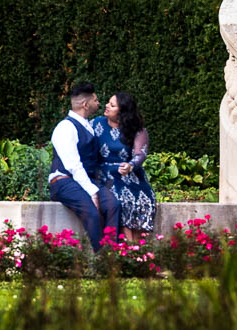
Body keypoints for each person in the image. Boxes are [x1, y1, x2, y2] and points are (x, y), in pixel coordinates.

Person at [48, 81, 119, 249]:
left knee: (112, 205)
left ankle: (112, 253)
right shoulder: (65, 128)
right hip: (63, 181)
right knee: (92, 213)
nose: (99, 103)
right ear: (86, 104)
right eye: (95, 100)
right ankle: (101, 259)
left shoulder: (89, 125)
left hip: (84, 181)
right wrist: (93, 193)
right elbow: (73, 165)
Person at [92, 91, 159, 243]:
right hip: (104, 173)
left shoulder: (137, 130)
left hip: (129, 173)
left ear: (122, 112)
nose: (106, 106)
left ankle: (138, 246)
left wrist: (130, 165)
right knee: (121, 200)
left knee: (145, 199)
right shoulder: (96, 124)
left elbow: (140, 154)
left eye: (112, 105)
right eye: (108, 103)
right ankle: (130, 247)